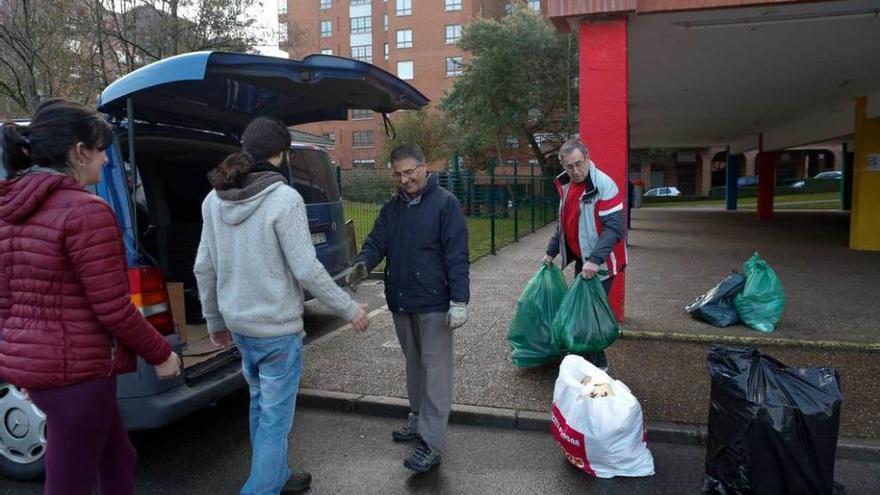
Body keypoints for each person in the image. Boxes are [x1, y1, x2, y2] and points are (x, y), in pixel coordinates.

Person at [0, 99, 181, 495]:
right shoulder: (86, 211)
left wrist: (25, 368)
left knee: (118, 460)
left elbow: (6, 301)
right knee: (70, 482)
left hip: (52, 370)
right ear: (79, 152)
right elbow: (113, 308)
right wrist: (161, 353)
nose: (105, 161)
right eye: (101, 150)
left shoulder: (8, 209)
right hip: (77, 374)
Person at [194, 116, 369, 494]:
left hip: (241, 328)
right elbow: (306, 268)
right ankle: (263, 487)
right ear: (282, 154)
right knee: (275, 418)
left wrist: (213, 321)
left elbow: (202, 266)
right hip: (276, 333)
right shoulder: (284, 198)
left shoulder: (214, 199)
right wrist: (348, 307)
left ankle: (277, 474)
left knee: (261, 405)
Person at [351, 143, 470, 474]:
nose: (404, 180)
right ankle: (417, 421)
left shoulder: (446, 204)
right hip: (402, 302)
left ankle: (431, 443)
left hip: (434, 303)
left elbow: (457, 255)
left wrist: (459, 300)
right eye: (398, 174)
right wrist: (363, 262)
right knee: (415, 366)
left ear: (425, 167)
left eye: (409, 172)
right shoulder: (393, 209)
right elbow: (376, 242)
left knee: (436, 373)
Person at [542, 137, 627, 371]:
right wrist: (551, 251)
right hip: (584, 260)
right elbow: (564, 222)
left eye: (579, 163)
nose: (575, 170)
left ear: (588, 157)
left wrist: (594, 260)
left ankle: (599, 368)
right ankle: (586, 363)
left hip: (602, 263)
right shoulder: (566, 185)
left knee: (589, 316)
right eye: (569, 166)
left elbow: (614, 228)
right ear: (563, 165)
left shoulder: (604, 185)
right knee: (583, 315)